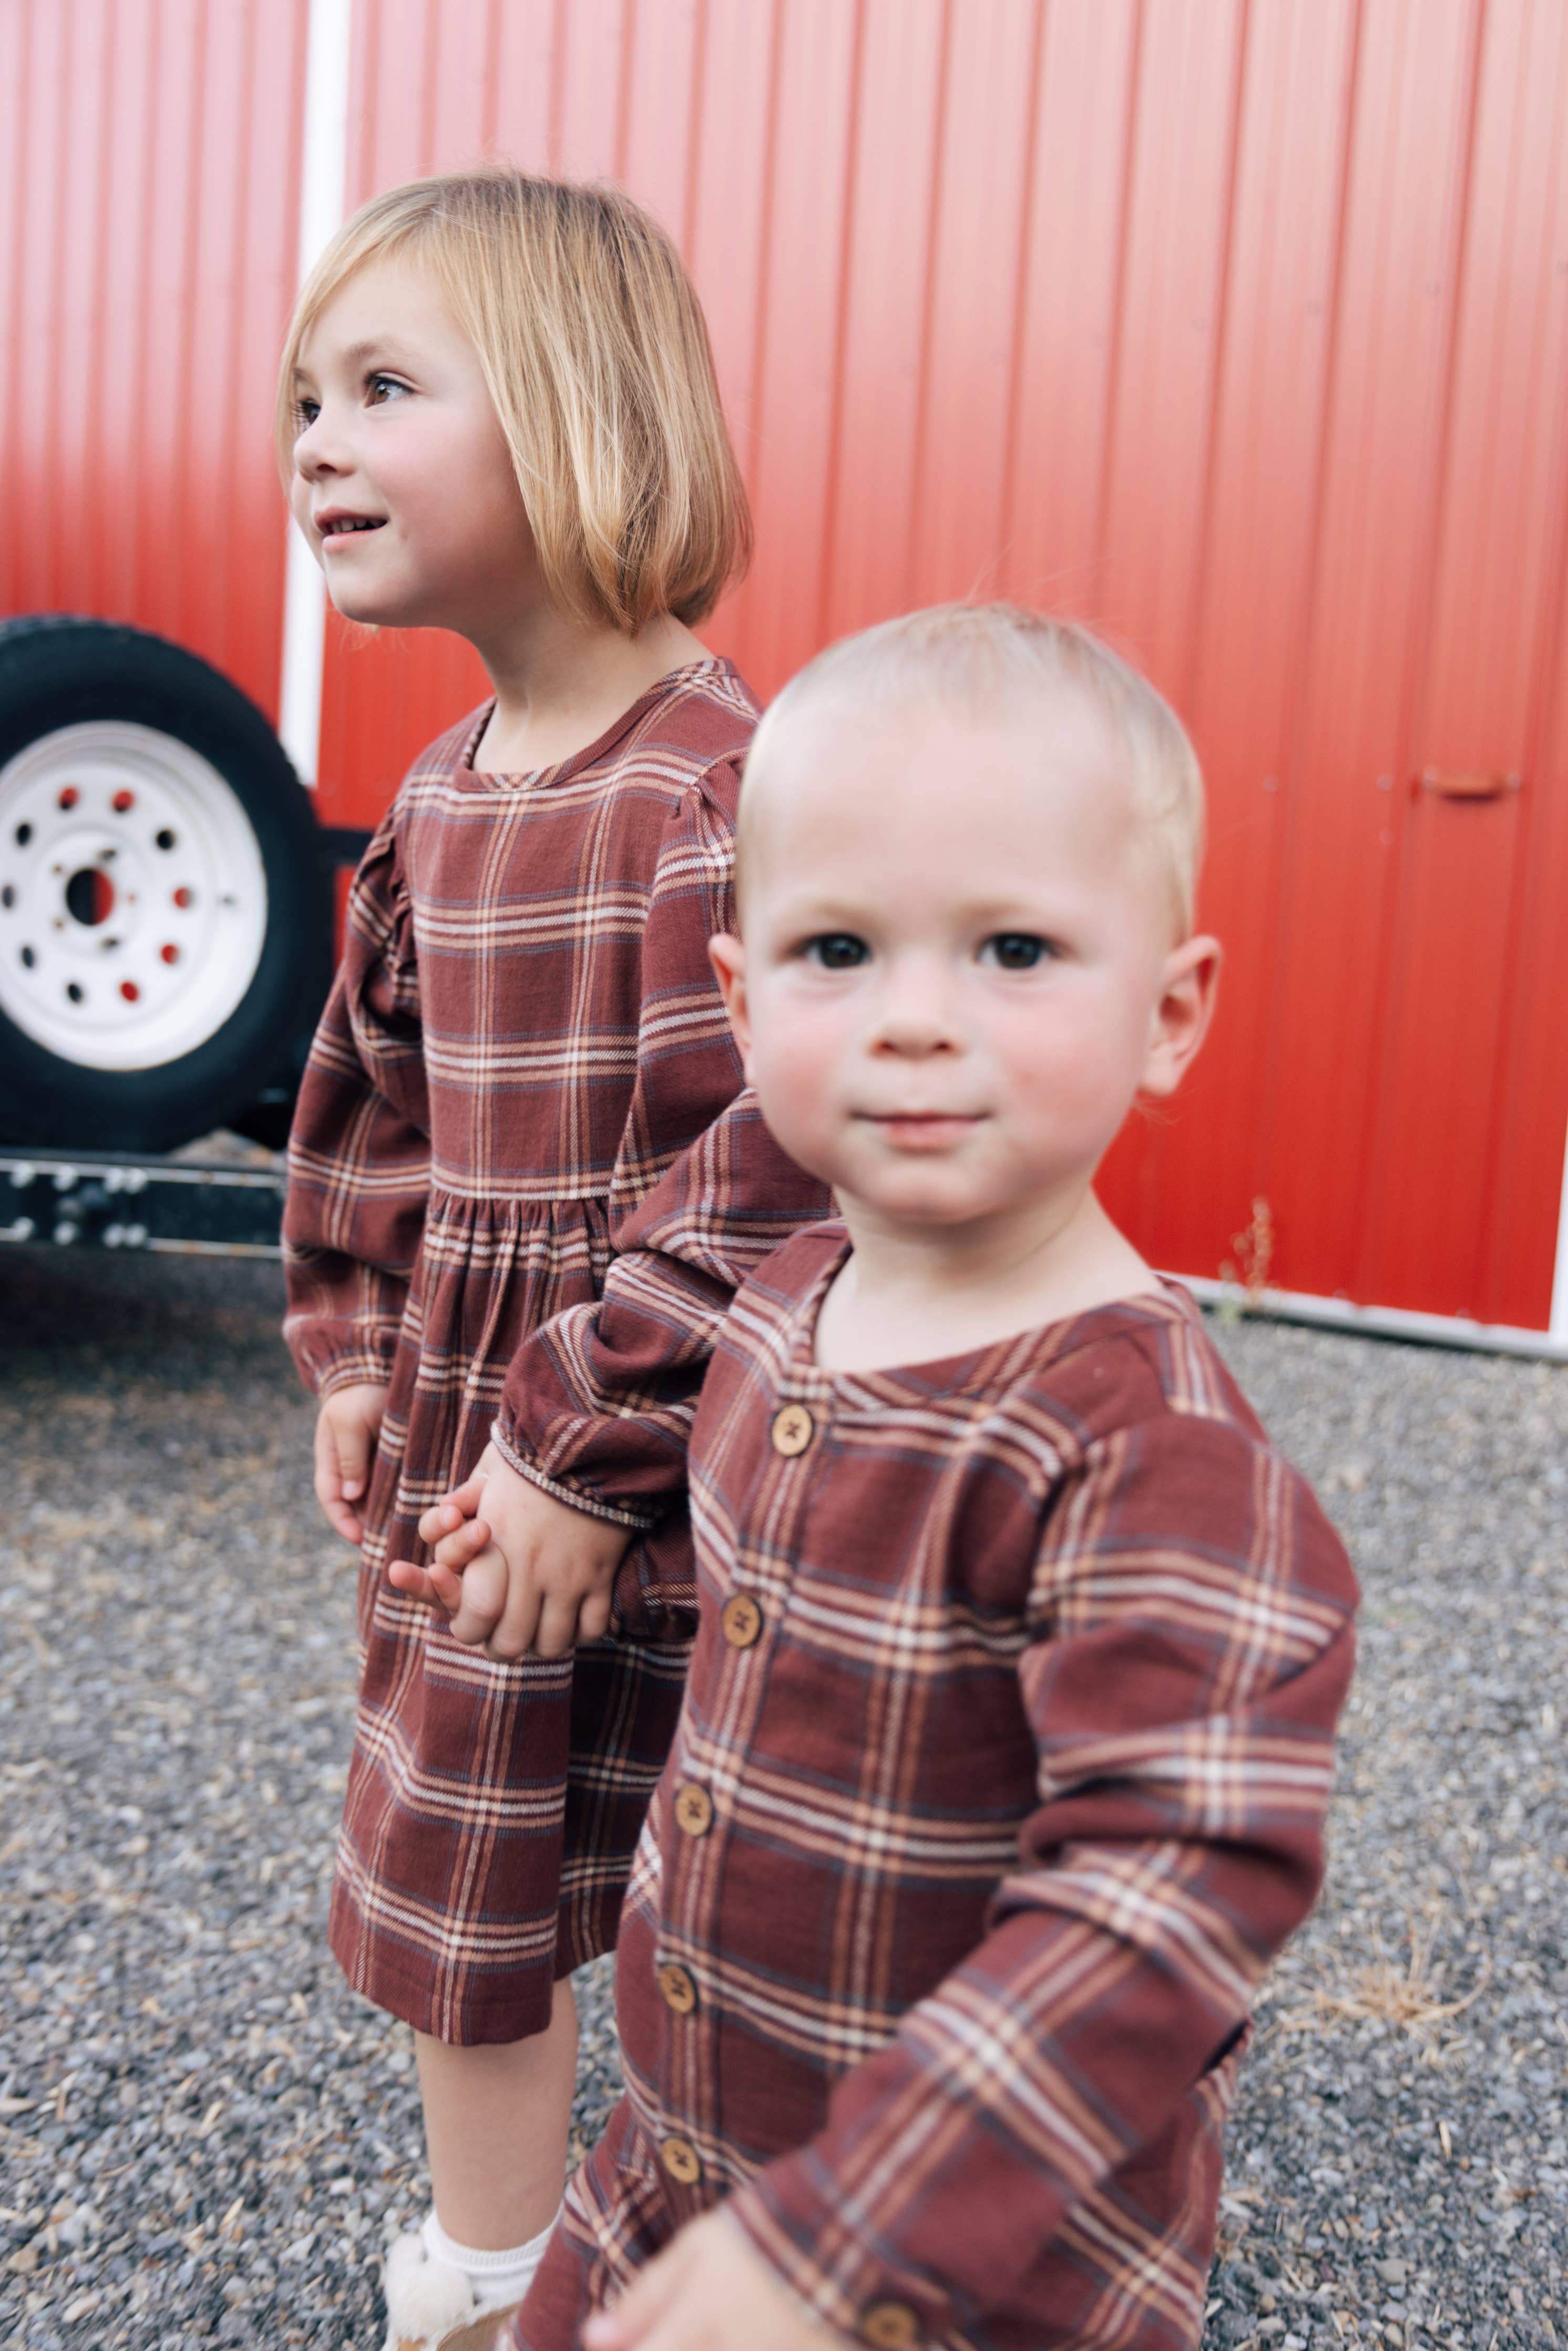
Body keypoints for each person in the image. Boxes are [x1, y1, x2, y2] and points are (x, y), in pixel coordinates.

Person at [434, 604, 1359, 2351]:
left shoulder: (1150, 1454)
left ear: (1170, 1013)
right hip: (678, 2173)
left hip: (963, 2268)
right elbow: (816, 1605)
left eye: (1013, 952)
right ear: (739, 997)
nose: (917, 1020)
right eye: (840, 949)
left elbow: (1164, 1894)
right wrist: (586, 1574)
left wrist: (844, 2241)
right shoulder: (785, 1304)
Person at [278, 167, 825, 2351]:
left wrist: (575, 1457)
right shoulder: (427, 801)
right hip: (470, 1442)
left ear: (582, 419)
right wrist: (352, 1348)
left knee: (735, 1889)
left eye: (382, 386)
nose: (312, 437)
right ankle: (493, 2267)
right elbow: (373, 1111)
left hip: (683, 1458)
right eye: (300, 395)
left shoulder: (723, 791)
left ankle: (762, 2261)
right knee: (464, 1873)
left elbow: (769, 1155)